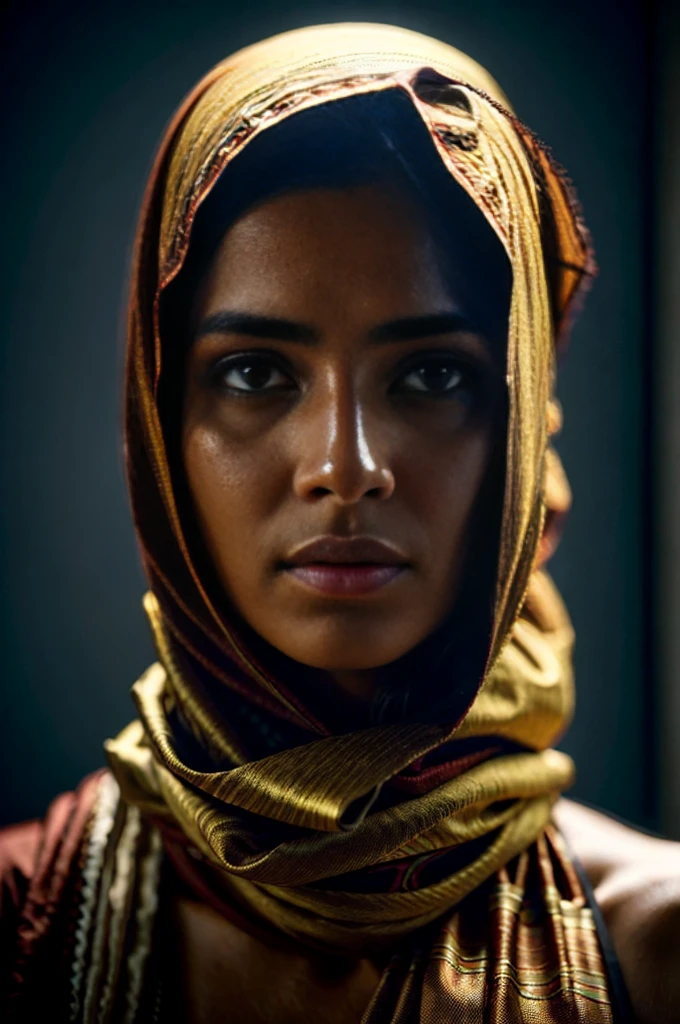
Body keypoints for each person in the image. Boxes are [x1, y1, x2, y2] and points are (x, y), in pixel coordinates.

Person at [1, 21, 678, 1024]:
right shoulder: (25, 924)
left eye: (430, 375)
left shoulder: (654, 949)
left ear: (521, 422)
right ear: (158, 425)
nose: (344, 469)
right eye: (255, 374)